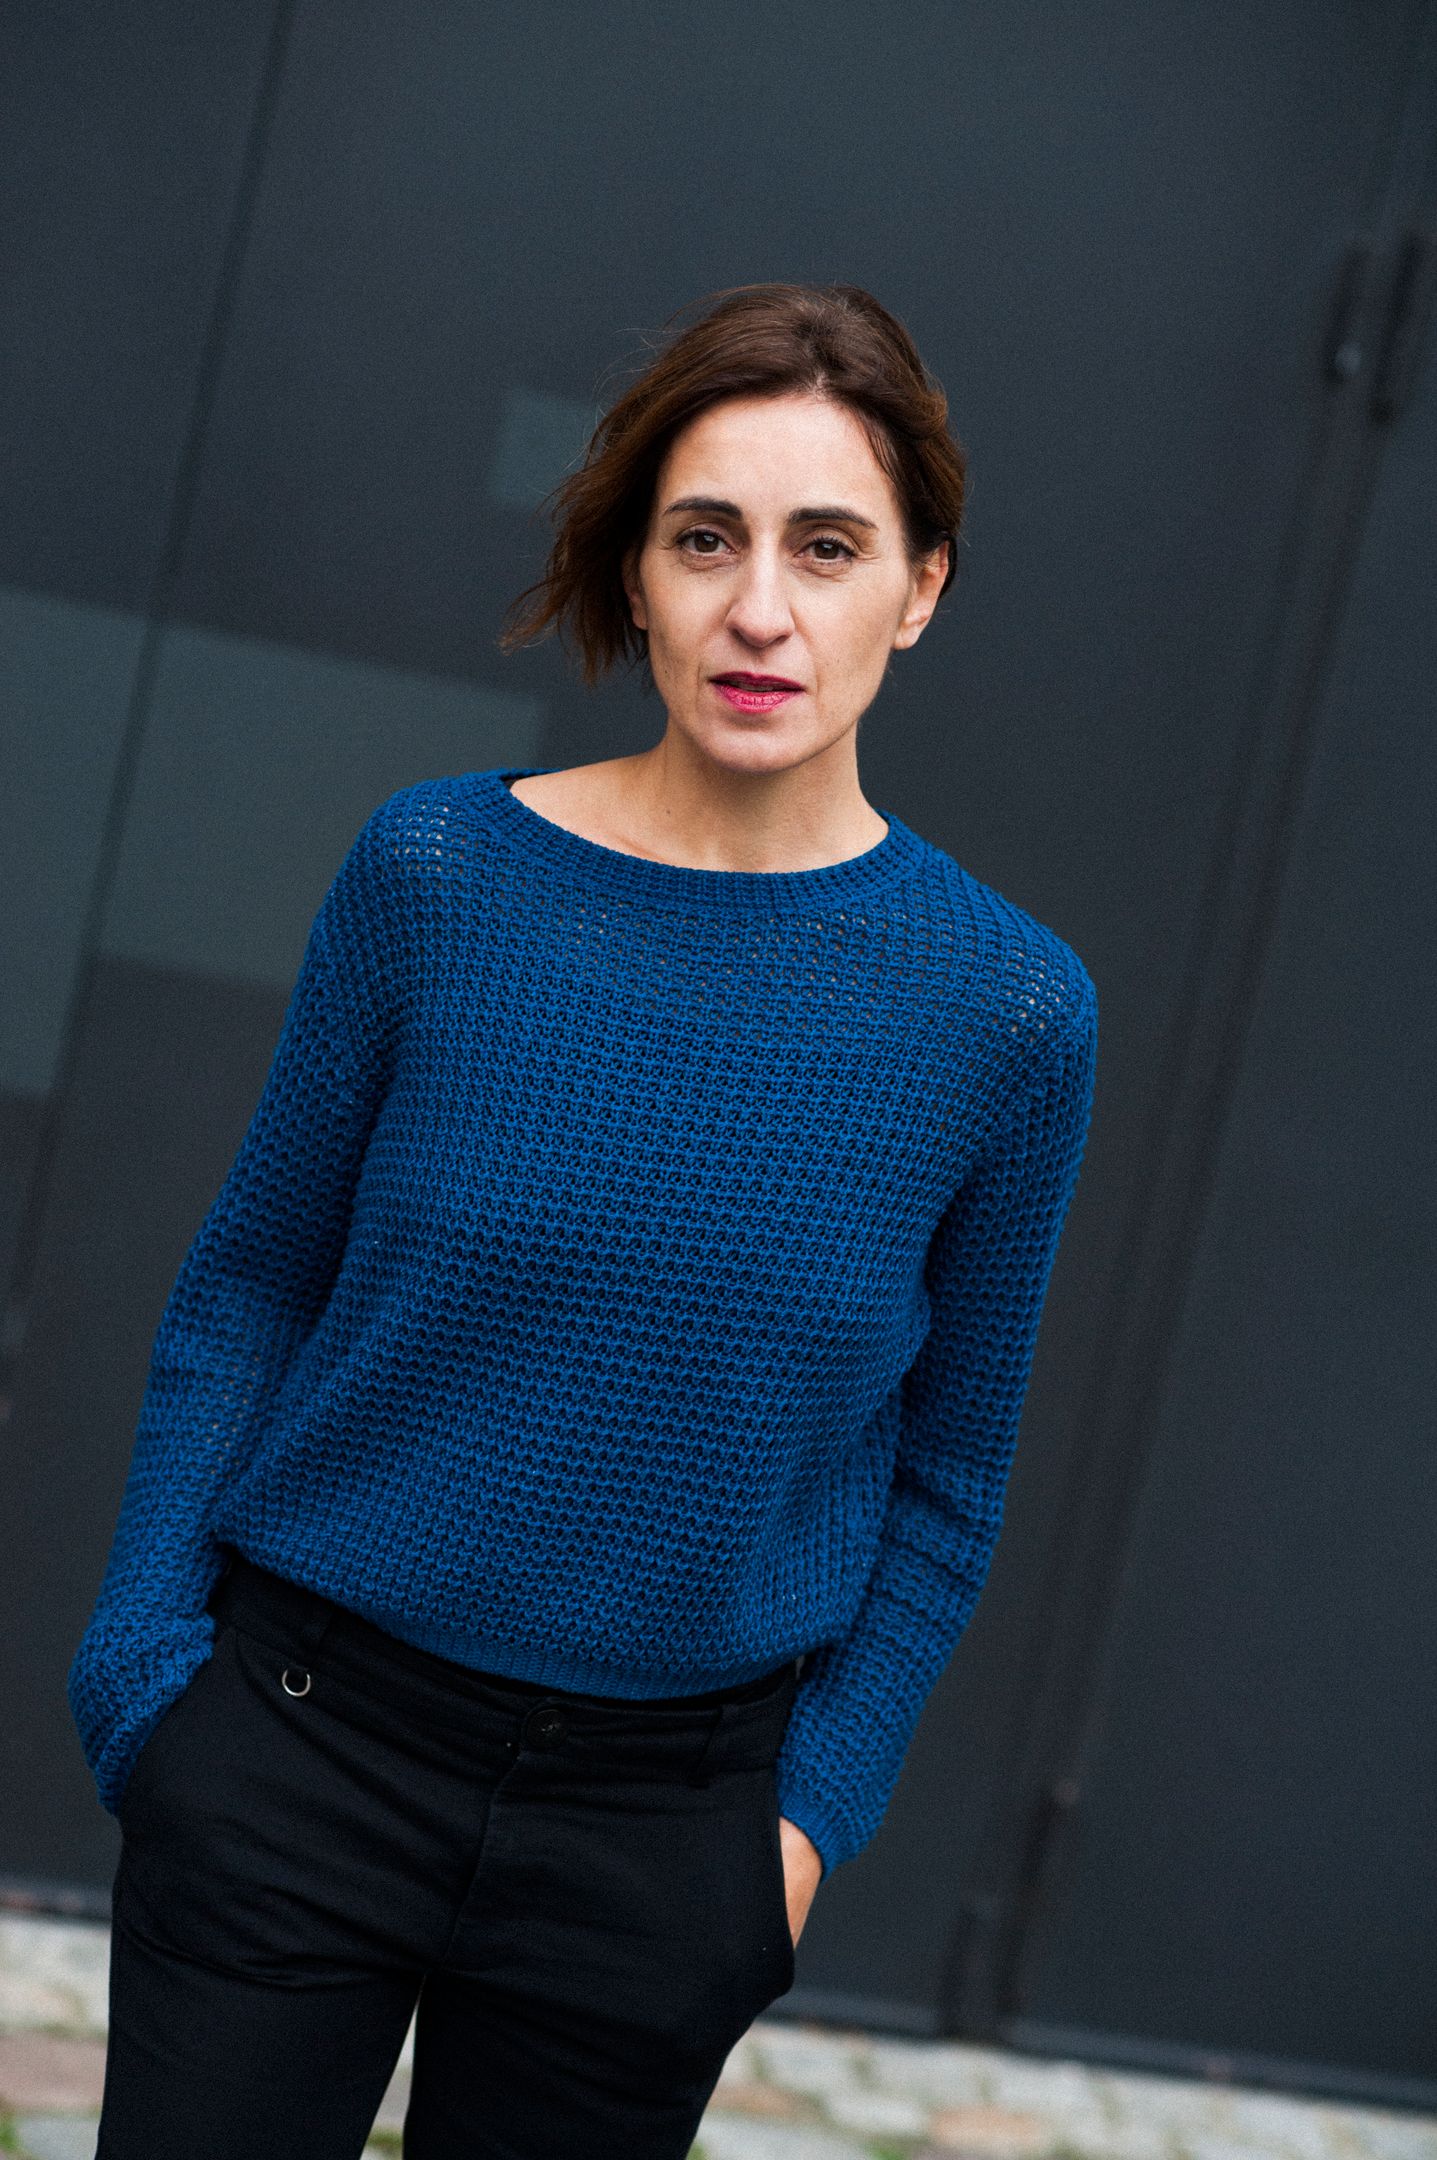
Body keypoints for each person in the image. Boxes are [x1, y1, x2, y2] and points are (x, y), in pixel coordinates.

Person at [70, 281, 1098, 2159]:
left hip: (658, 1843)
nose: (759, 608)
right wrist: (145, 1679)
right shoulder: (436, 874)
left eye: (826, 547)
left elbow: (947, 1483)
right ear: (637, 569)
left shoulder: (1007, 1013)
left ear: (920, 586)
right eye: (705, 539)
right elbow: (250, 1290)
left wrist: (798, 1832)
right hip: (297, 1750)